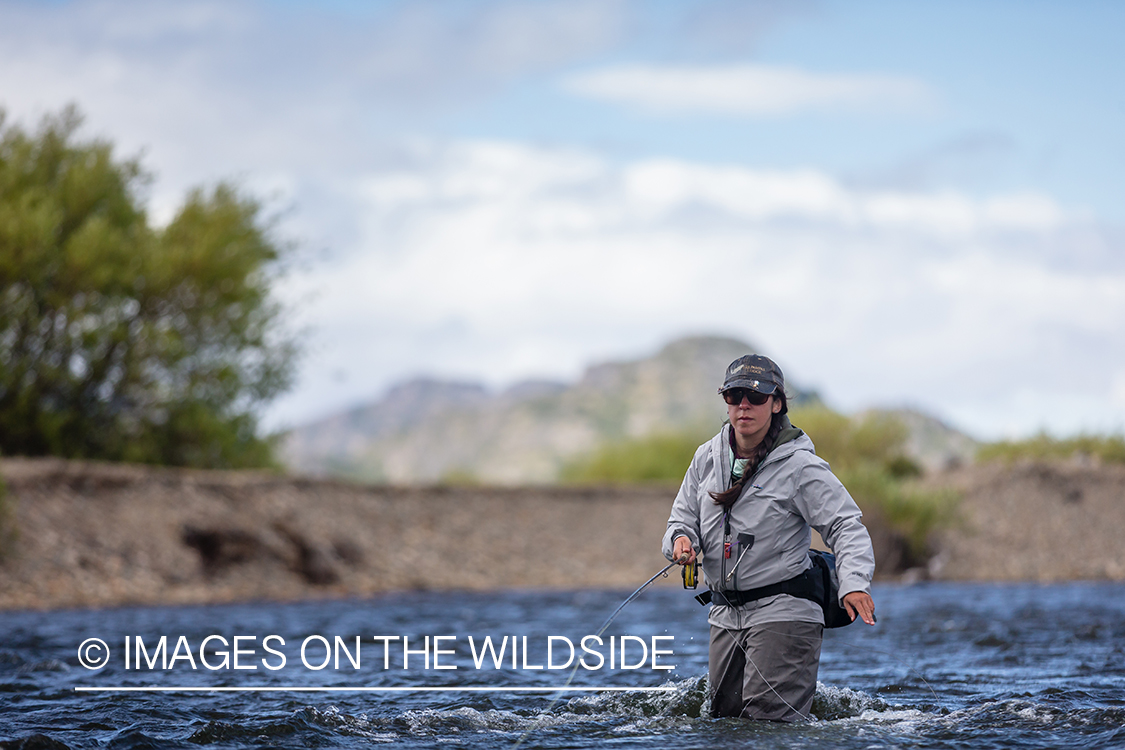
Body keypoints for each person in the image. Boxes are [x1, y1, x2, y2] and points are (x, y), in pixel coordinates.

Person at [663, 353, 876, 721]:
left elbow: (846, 525)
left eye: (756, 396)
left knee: (768, 727)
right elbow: (679, 522)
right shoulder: (705, 458)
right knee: (723, 724)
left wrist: (854, 584)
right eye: (734, 396)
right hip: (725, 615)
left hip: (786, 610)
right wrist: (681, 541)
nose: (744, 404)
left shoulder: (800, 465)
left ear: (776, 404)